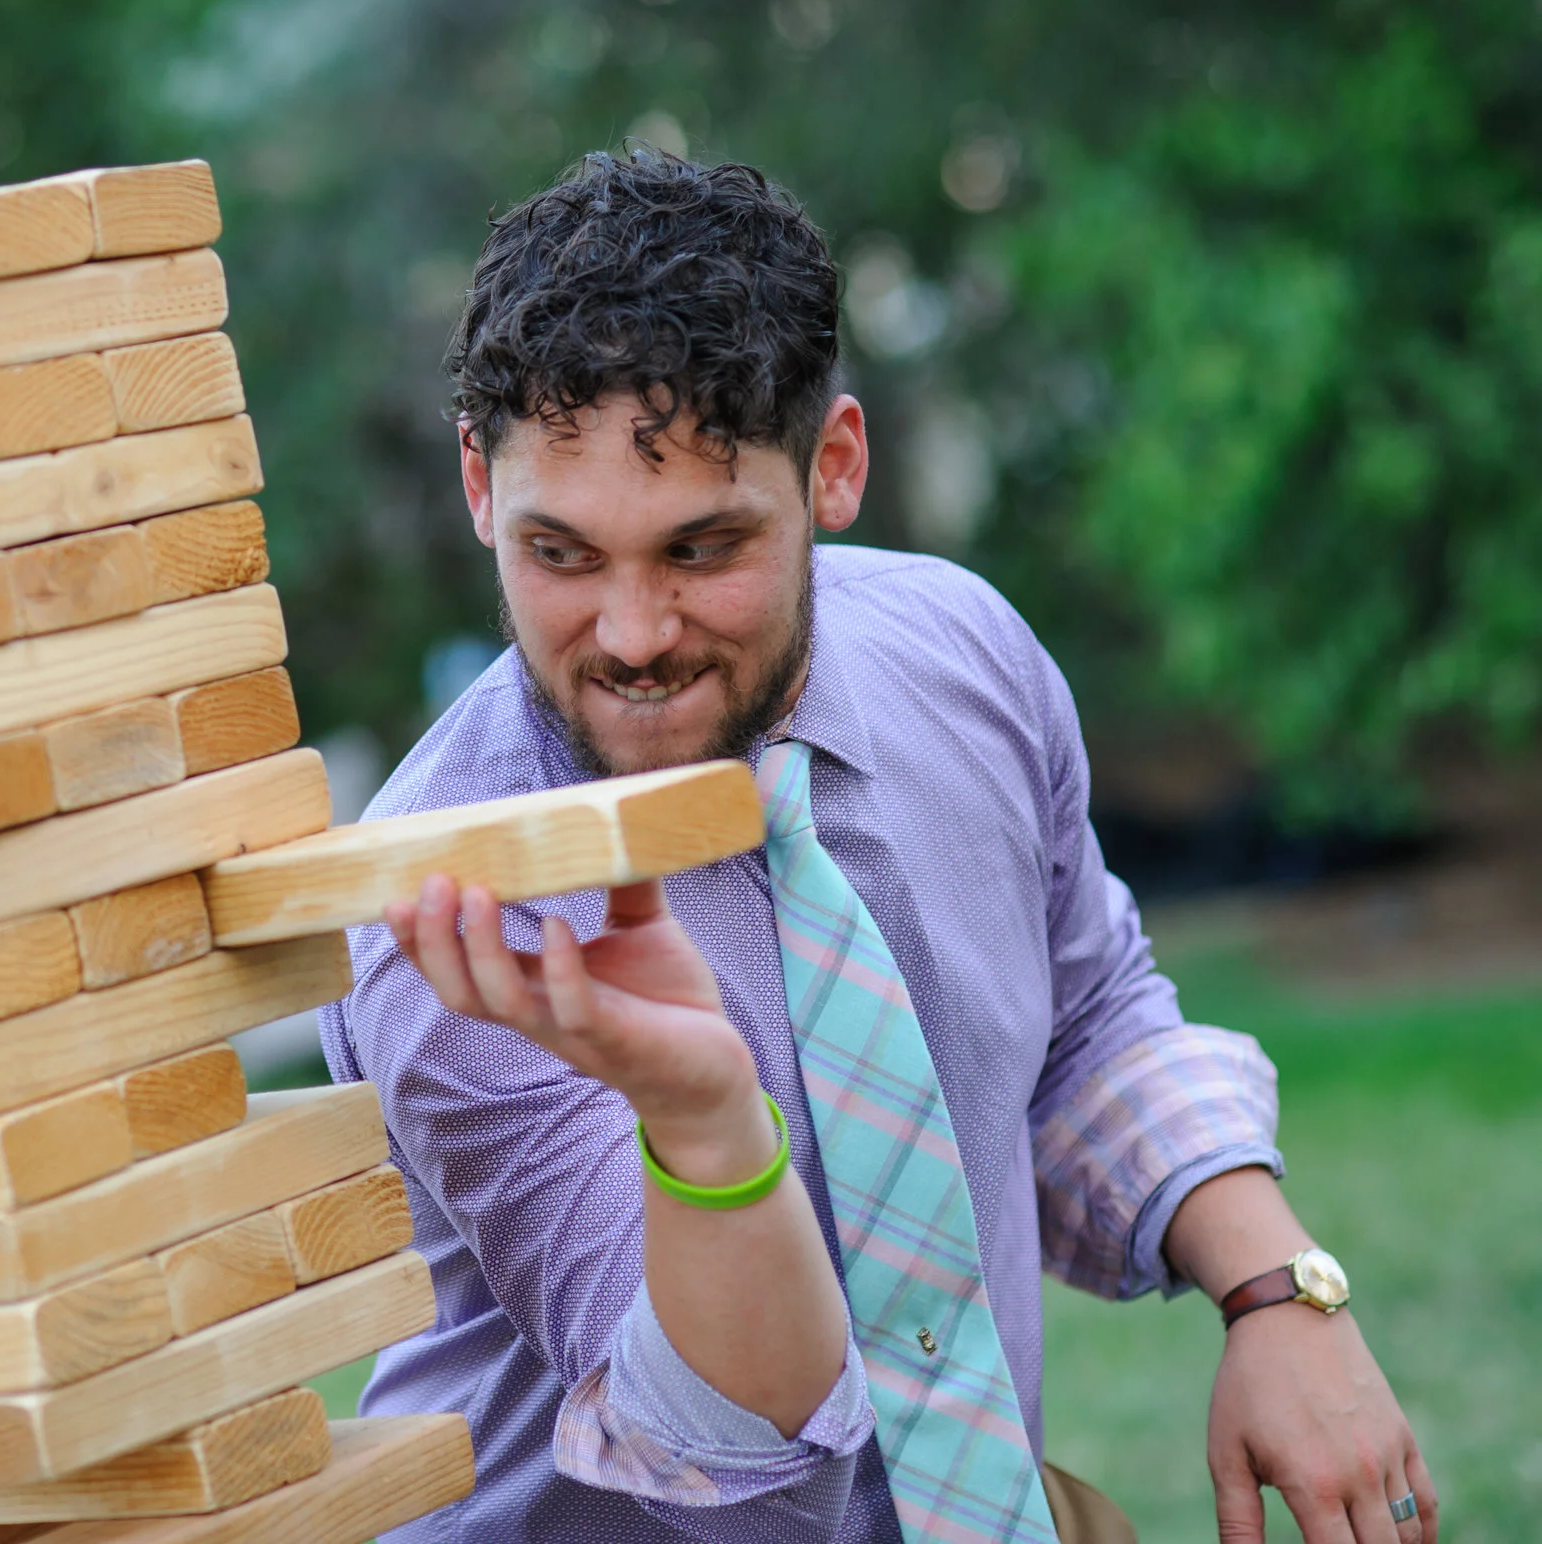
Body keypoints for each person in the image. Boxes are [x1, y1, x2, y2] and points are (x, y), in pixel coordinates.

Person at [319, 150, 1435, 1544]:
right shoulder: (450, 905)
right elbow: (730, 1462)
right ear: (481, 488)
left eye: (701, 547)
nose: (632, 633)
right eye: (563, 555)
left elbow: (1085, 1021)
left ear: (834, 465)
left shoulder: (963, 651)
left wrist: (1278, 1293)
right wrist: (706, 1126)